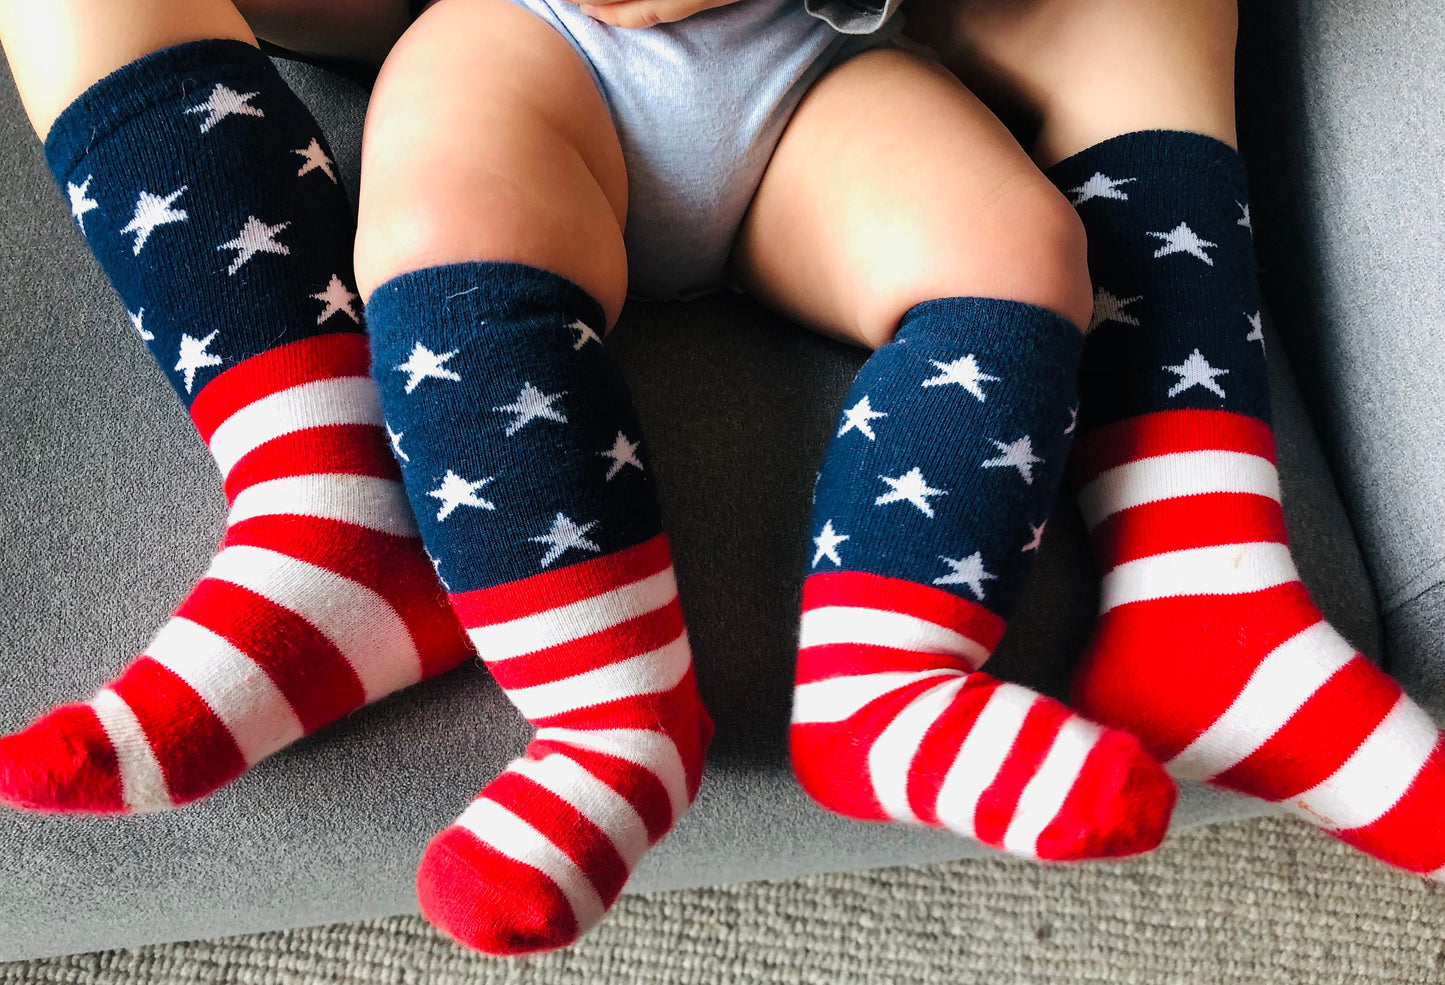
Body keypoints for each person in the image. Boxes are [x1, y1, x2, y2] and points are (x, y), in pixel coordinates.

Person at [0, 0, 1438, 957]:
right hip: (524, 41)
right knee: (450, 258)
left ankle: (896, 683)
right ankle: (587, 699)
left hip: (818, 65)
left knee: (1012, 255)